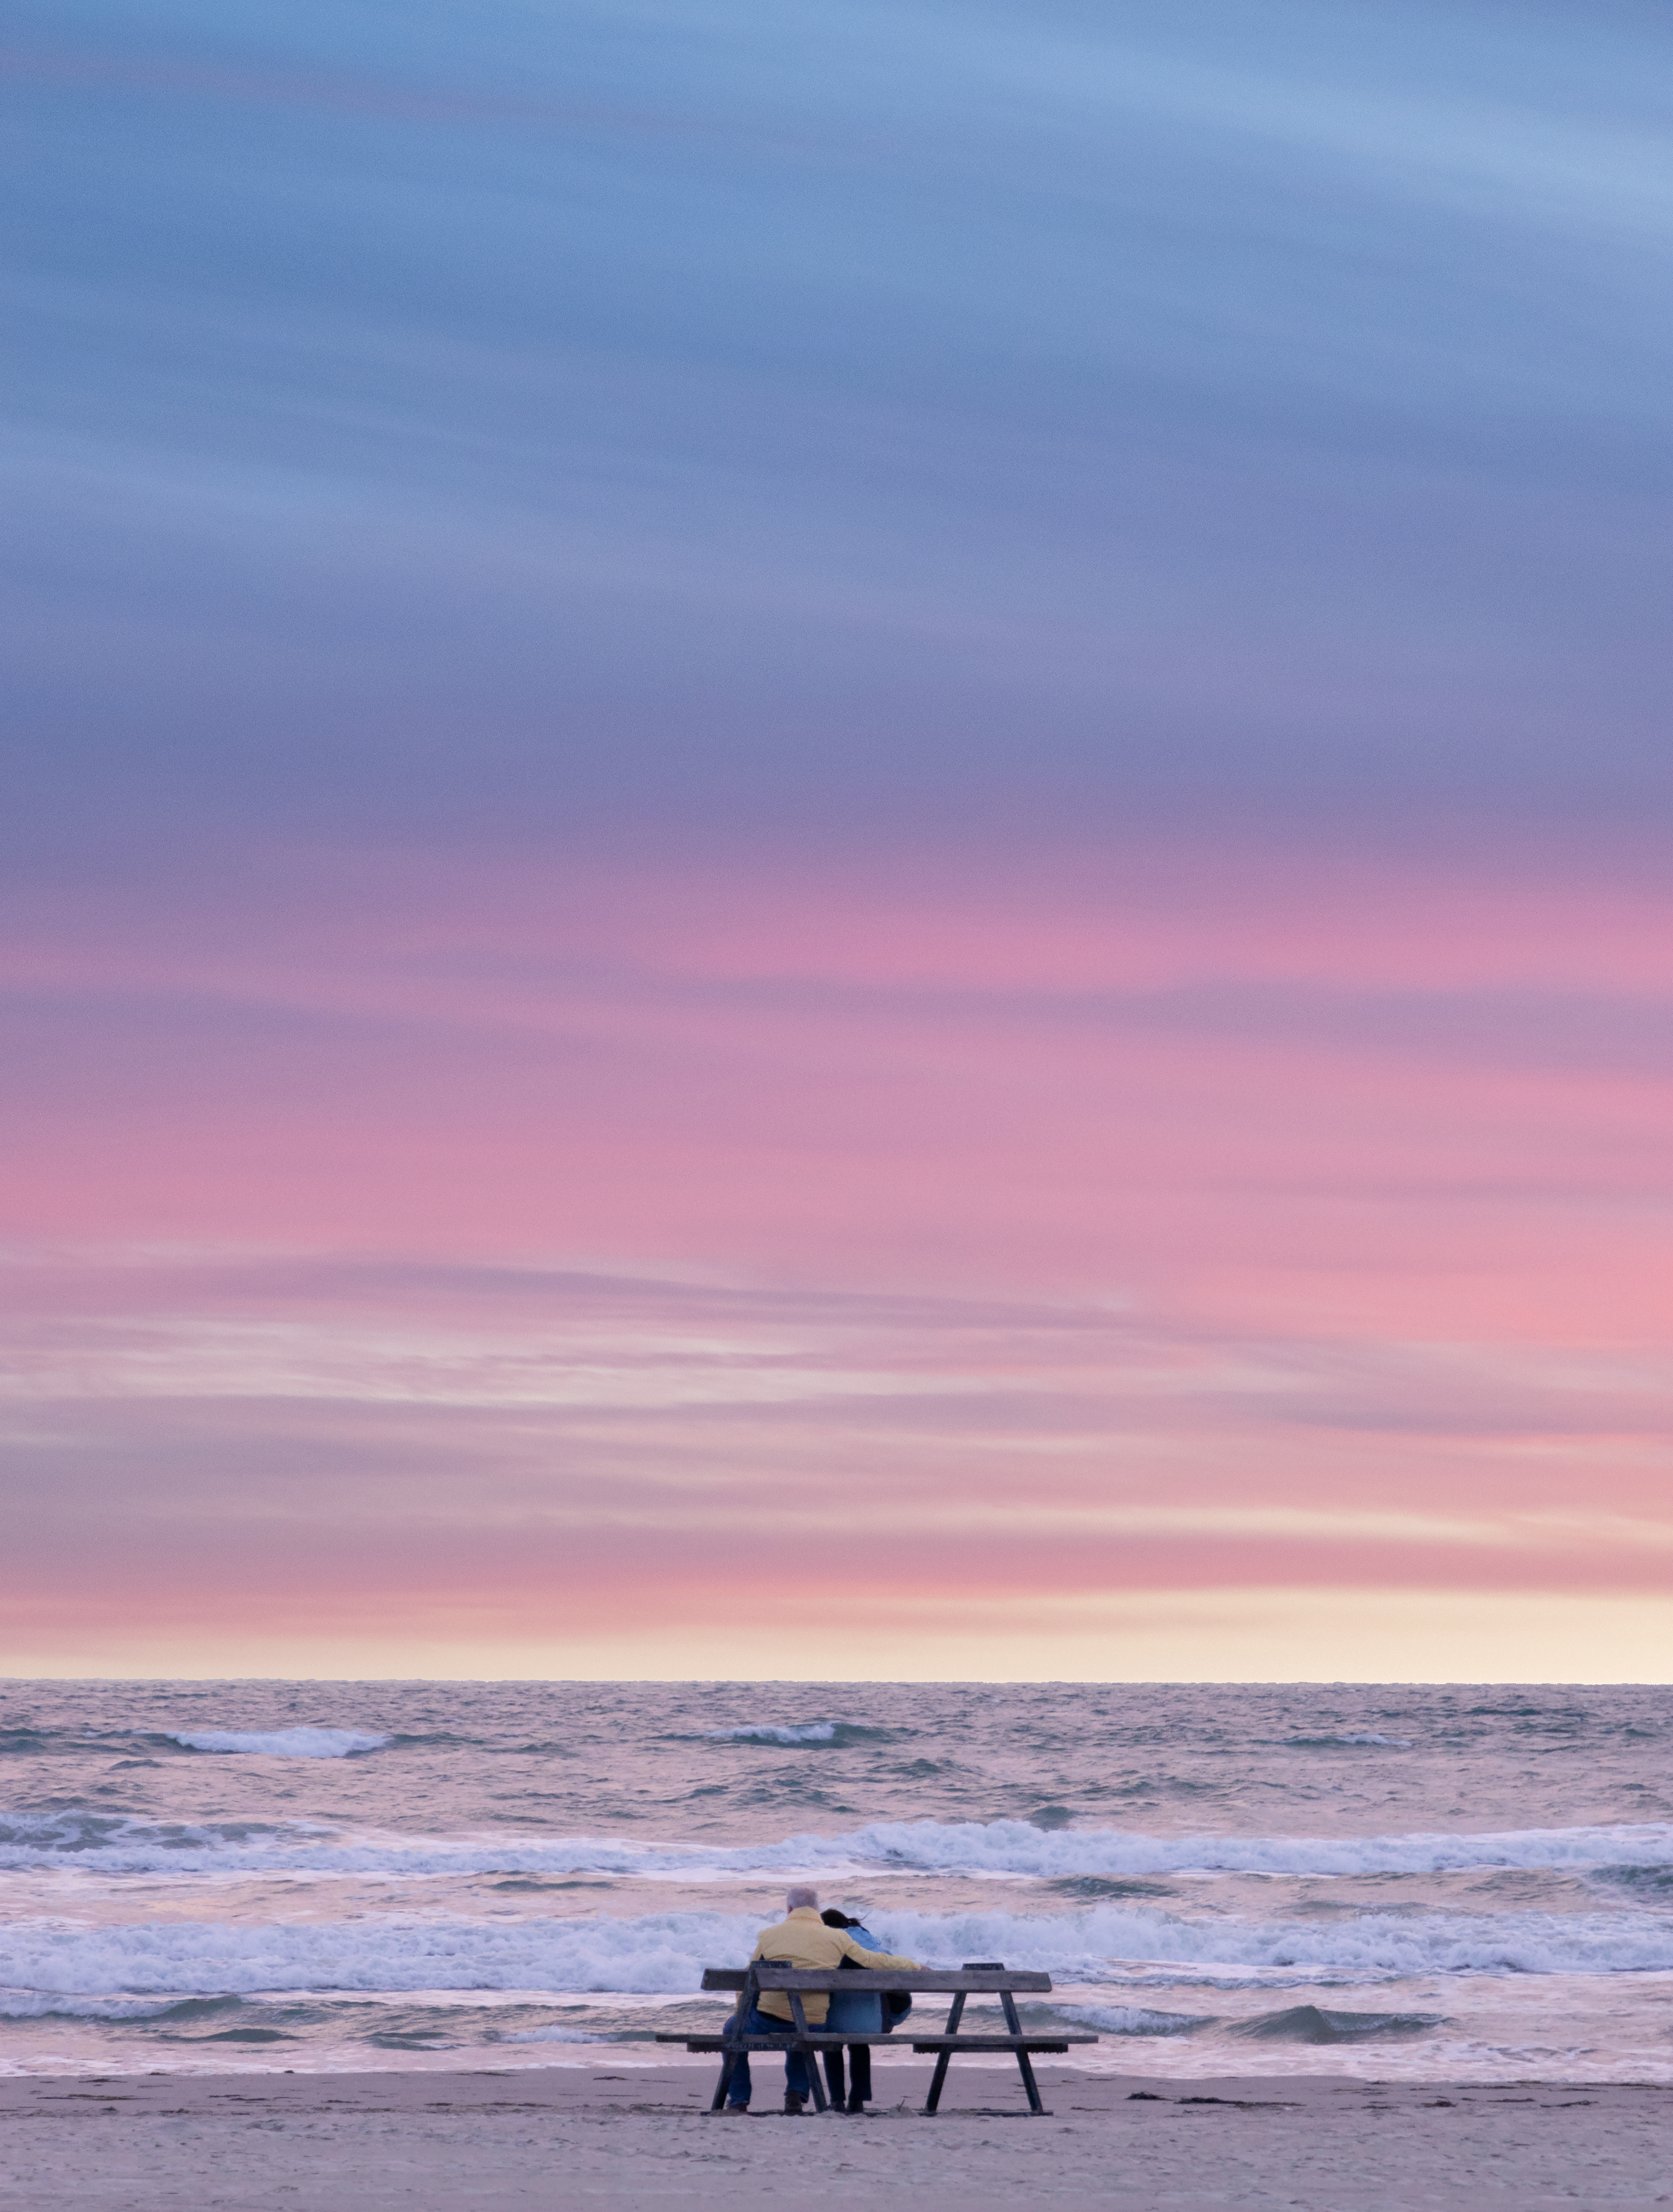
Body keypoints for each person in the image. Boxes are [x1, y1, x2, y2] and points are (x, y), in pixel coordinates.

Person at [723, 1885, 918, 2114]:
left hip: (771, 2019)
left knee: (732, 2029)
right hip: (816, 2023)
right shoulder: (837, 1937)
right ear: (817, 1909)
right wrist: (915, 1967)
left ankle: (739, 2100)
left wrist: (742, 2012)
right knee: (799, 2028)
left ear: (789, 1909)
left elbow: (748, 1981)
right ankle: (795, 2095)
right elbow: (876, 1962)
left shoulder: (769, 1936)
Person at [817, 1907, 902, 2112]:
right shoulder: (866, 1938)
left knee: (832, 2045)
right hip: (870, 2023)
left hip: (834, 2019)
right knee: (860, 2044)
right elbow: (889, 1963)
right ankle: (858, 2099)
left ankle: (837, 2100)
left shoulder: (827, 1940)